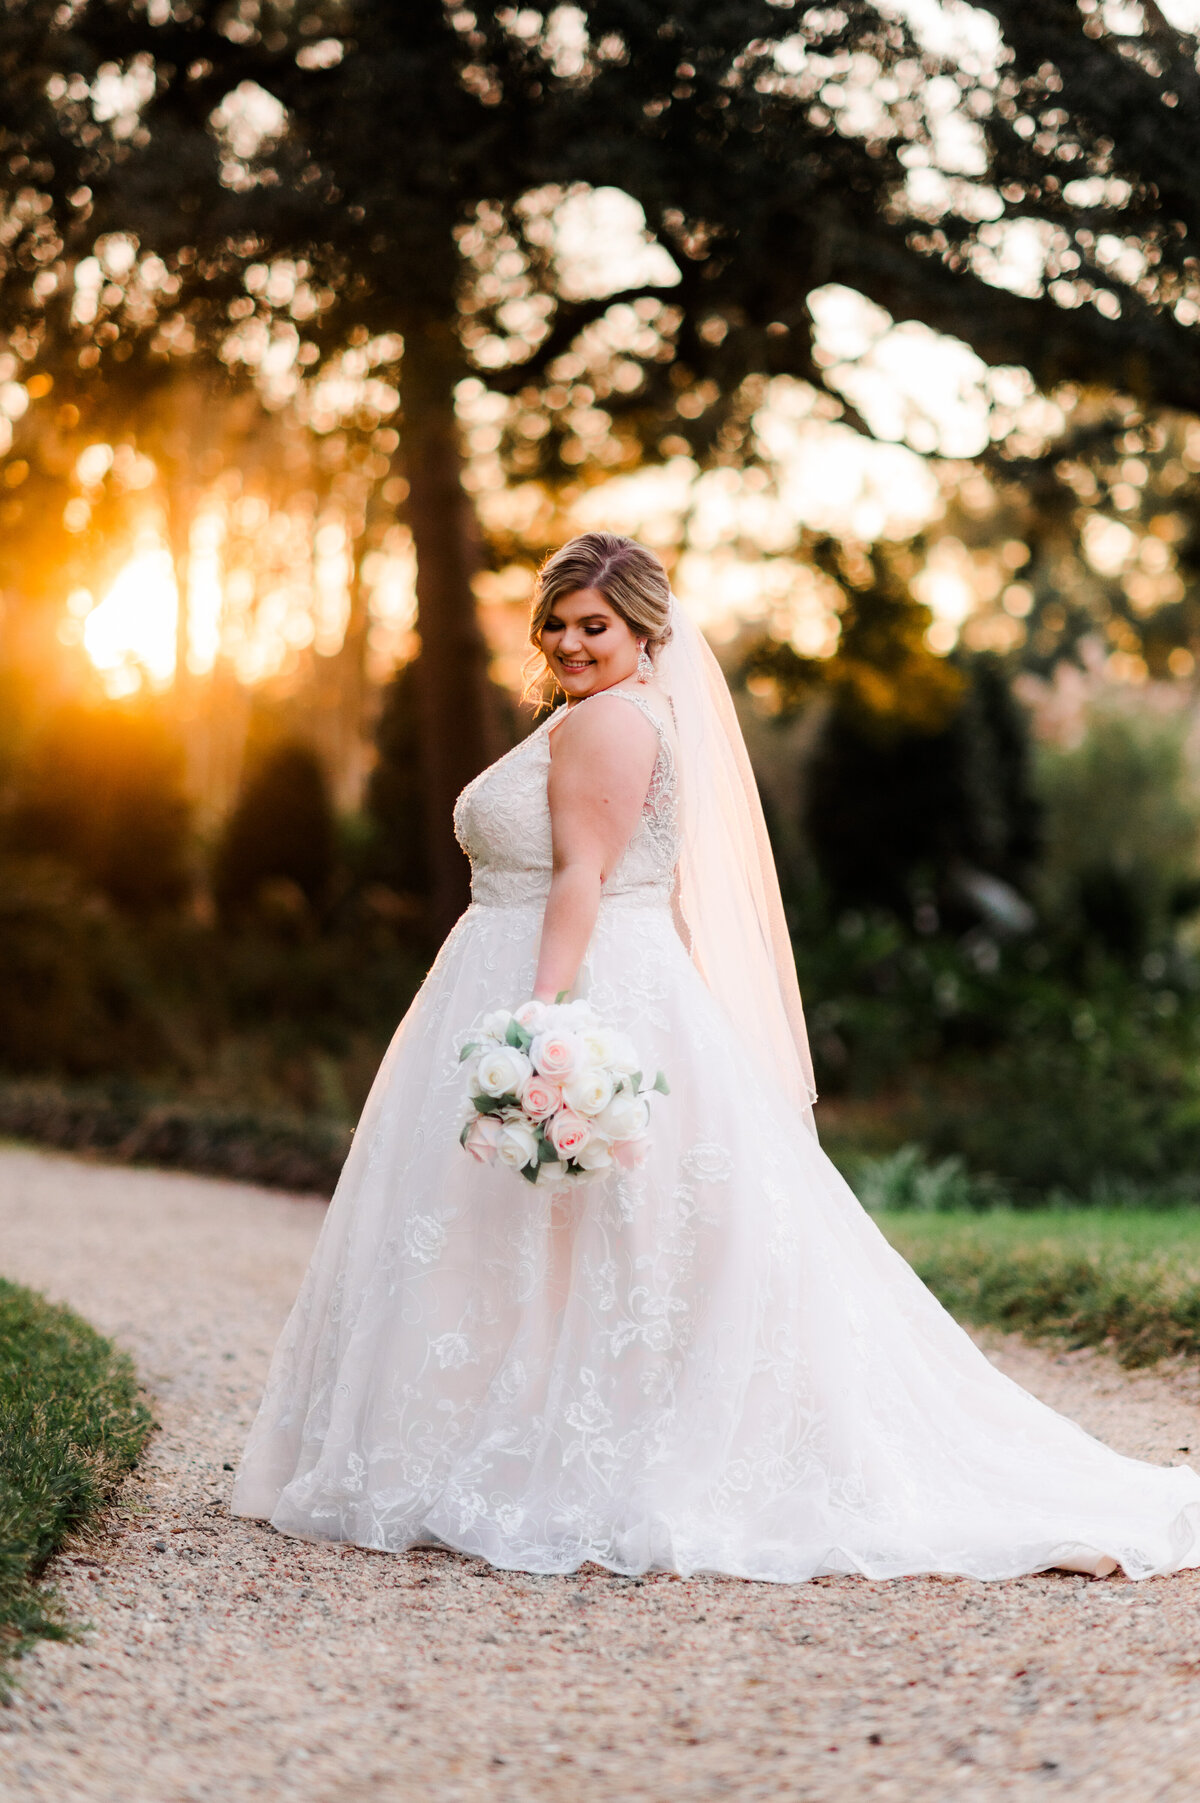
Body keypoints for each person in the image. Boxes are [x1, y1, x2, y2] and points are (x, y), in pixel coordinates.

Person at [233, 531, 1200, 1582]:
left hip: (571, 983)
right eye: (554, 624)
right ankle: (511, 1432)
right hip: (597, 976)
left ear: (645, 631)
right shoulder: (612, 715)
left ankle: (558, 1448)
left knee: (586, 1224)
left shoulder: (607, 723)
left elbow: (582, 881)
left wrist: (538, 1027)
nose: (568, 641)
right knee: (556, 1227)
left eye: (593, 625)